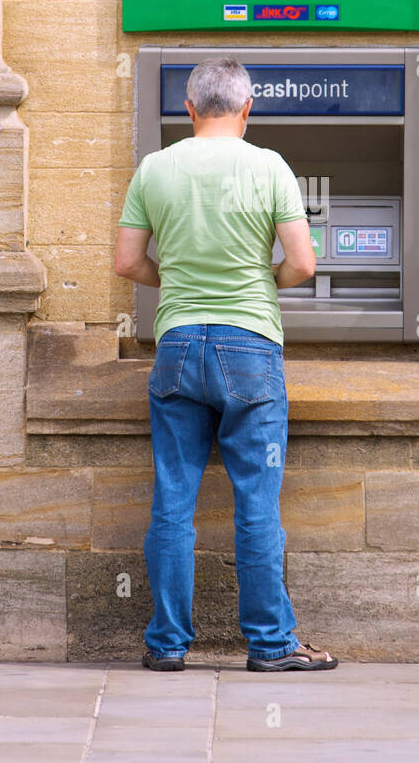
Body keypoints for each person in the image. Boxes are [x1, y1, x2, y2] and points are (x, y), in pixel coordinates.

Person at [114, 55, 338, 672]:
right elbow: (303, 264)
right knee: (257, 503)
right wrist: (259, 282)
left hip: (179, 347)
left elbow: (127, 263)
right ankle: (269, 645)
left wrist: (181, 283)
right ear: (247, 109)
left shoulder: (155, 168)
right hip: (250, 349)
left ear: (188, 109)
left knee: (172, 502)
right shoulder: (270, 167)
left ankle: (166, 645)